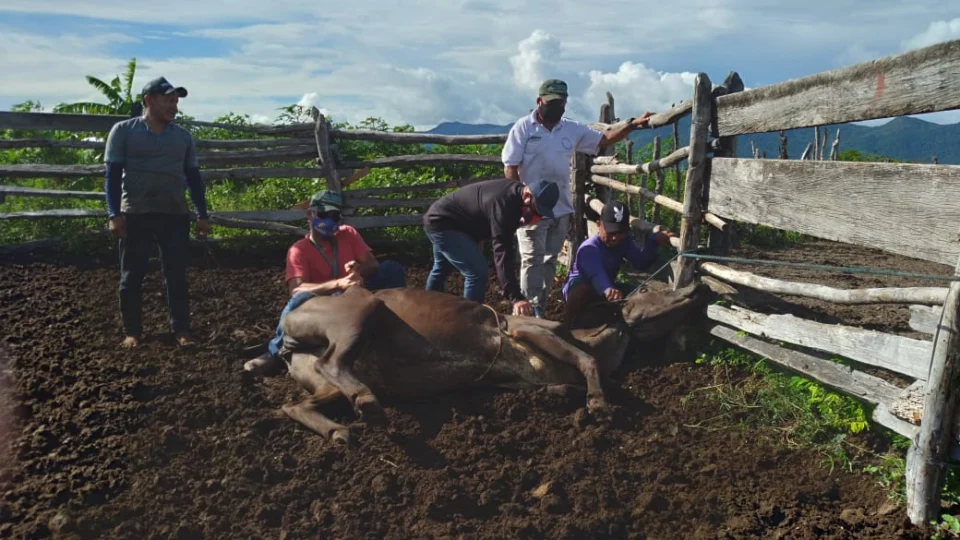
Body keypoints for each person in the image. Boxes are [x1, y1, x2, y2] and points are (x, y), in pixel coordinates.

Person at [502, 78, 654, 317]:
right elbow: (510, 168)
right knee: (532, 259)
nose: (556, 107)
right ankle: (528, 313)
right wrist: (517, 202)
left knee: (550, 259)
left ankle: (539, 307)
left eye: (561, 103)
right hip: (530, 206)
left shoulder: (570, 129)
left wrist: (632, 124)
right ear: (539, 101)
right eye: (551, 102)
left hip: (560, 207)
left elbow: (604, 139)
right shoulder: (523, 128)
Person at [244, 189, 406, 375]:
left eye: (334, 216)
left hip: (357, 291)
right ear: (310, 214)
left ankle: (394, 327)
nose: (329, 221)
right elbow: (296, 289)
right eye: (323, 214)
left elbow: (372, 264)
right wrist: (338, 284)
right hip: (324, 301)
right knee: (297, 301)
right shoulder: (299, 250)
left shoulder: (349, 234)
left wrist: (359, 270)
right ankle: (275, 352)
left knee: (391, 269)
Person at [104, 76, 209, 349]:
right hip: (136, 213)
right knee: (132, 276)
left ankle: (181, 329)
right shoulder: (124, 131)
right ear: (149, 100)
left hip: (174, 214)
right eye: (169, 100)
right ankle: (133, 331)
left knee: (176, 274)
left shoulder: (182, 137)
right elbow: (112, 176)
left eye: (176, 101)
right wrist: (114, 214)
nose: (174, 107)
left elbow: (193, 177)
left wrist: (202, 214)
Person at [422, 178, 560, 316]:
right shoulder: (505, 205)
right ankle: (470, 321)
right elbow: (502, 252)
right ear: (527, 195)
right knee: (477, 272)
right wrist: (516, 297)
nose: (536, 216)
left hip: (447, 220)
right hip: (442, 223)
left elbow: (479, 213)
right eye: (536, 209)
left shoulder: (514, 194)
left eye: (541, 213)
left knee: (442, 267)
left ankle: (427, 310)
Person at [560, 200, 676, 326]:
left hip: (609, 288)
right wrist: (608, 289)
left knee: (645, 293)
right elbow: (596, 274)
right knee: (582, 290)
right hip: (586, 289)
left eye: (620, 232)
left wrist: (653, 241)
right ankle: (567, 328)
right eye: (611, 232)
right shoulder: (588, 249)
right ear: (599, 225)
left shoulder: (624, 241)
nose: (615, 237)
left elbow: (640, 262)